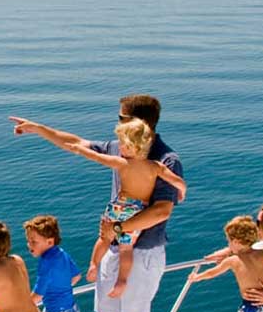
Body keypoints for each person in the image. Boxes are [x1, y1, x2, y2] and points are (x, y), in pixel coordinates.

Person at [10, 94, 183, 312]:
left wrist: (118, 229)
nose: (116, 123)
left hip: (142, 252)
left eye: (121, 118)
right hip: (117, 246)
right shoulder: (122, 147)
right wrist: (39, 129)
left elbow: (162, 211)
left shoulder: (165, 160)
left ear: (136, 122)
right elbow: (77, 143)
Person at [64, 118, 186, 298]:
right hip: (136, 212)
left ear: (132, 147)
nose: (119, 146)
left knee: (104, 238)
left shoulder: (122, 163)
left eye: (122, 143)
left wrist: (78, 149)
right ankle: (122, 280)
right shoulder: (156, 167)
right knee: (126, 248)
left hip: (119, 207)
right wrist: (181, 192)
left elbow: (97, 157)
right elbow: (178, 181)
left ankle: (94, 264)